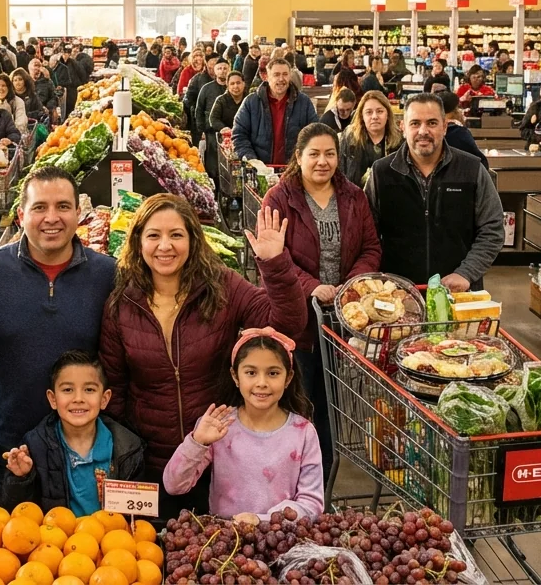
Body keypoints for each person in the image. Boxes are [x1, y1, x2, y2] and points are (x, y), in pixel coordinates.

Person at [100, 197, 306, 516]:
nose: (165, 246)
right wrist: (127, 453)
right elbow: (114, 388)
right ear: (138, 241)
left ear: (193, 239)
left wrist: (274, 264)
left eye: (176, 235)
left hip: (220, 458)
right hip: (151, 463)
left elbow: (286, 325)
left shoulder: (222, 287)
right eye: (153, 235)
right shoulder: (122, 305)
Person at [0, 167, 118, 503]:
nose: (51, 218)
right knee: (8, 534)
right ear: (21, 215)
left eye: (63, 206)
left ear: (79, 213)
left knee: (86, 536)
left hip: (82, 453)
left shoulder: (107, 275)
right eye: (39, 207)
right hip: (9, 449)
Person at [262, 123, 380, 489]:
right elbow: (274, 256)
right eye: (314, 154)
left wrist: (350, 288)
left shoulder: (353, 197)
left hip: (342, 322)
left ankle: (321, 482)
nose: (322, 161)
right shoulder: (279, 199)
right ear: (298, 157)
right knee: (296, 402)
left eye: (330, 154)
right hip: (298, 321)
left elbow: (370, 248)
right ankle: (286, 481)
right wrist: (313, 287)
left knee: (330, 406)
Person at [162, 330, 324, 524]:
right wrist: (197, 442)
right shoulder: (219, 426)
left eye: (273, 373)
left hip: (281, 536)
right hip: (225, 536)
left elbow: (311, 504)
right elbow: (174, 485)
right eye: (251, 373)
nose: (262, 383)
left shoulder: (303, 432)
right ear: (235, 376)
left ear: (288, 378)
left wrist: (262, 520)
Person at [367, 94, 505, 292]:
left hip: (458, 293)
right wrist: (378, 280)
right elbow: (367, 236)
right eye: (415, 123)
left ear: (445, 127)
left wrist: (467, 273)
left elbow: (492, 228)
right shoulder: (381, 173)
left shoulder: (472, 170)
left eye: (432, 123)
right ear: (402, 127)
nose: (423, 131)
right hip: (396, 296)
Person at [232, 58, 318, 165]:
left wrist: (302, 161)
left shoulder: (304, 102)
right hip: (259, 170)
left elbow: (314, 134)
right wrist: (252, 161)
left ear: (290, 76)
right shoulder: (251, 102)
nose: (281, 79)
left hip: (294, 168)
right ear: (267, 77)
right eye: (276, 75)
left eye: (285, 74)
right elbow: (239, 135)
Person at [338, 90, 403, 188]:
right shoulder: (349, 137)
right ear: (362, 116)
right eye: (369, 112)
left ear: (388, 114)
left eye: (380, 111)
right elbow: (340, 174)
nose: (374, 117)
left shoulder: (399, 140)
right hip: (353, 195)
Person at [439, 92, 489, 167]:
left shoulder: (434, 131)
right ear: (455, 110)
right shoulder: (459, 133)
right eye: (459, 107)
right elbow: (481, 163)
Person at [208, 69, 249, 135]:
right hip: (226, 136)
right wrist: (223, 128)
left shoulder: (249, 100)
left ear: (243, 83)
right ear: (227, 85)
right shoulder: (221, 100)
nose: (236, 86)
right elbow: (213, 118)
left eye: (238, 83)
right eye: (232, 84)